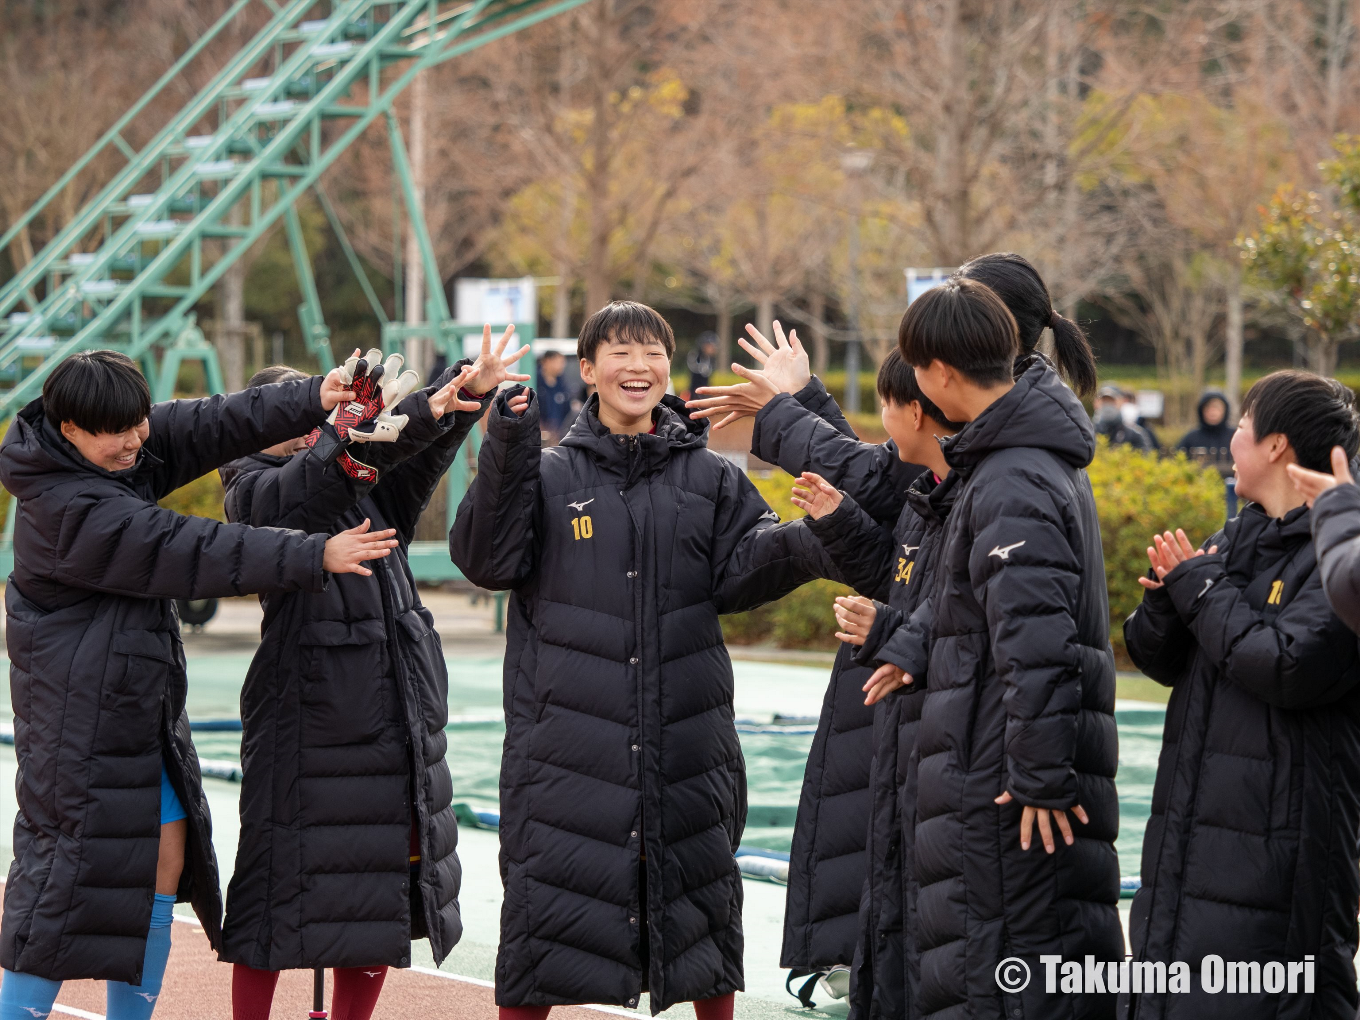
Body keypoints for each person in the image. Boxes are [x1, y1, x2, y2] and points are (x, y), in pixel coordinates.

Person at [450, 301, 839, 1020]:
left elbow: (742, 573)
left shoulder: (713, 479)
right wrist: (503, 433)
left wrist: (815, 534)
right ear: (588, 371)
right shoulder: (545, 474)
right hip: (565, 756)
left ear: (669, 368)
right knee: (543, 929)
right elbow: (485, 558)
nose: (639, 365)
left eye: (652, 350)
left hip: (685, 747)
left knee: (703, 922)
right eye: (620, 352)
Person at [0, 351, 398, 1020]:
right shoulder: (69, 505)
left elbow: (208, 422)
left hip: (131, 706)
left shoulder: (106, 453)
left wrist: (313, 395)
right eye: (116, 432)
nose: (135, 442)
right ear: (69, 428)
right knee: (61, 890)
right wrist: (311, 552)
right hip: (78, 719)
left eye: (137, 424)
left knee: (164, 854)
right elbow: (187, 548)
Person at [217, 330, 528, 1020]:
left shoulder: (359, 473)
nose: (309, 430)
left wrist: (463, 395)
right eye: (294, 418)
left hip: (392, 708)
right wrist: (340, 437)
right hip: (306, 710)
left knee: (378, 893)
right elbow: (293, 504)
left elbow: (415, 454)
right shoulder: (250, 486)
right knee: (273, 894)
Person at [882, 278, 1123, 1019]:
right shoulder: (1010, 460)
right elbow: (978, 605)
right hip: (991, 763)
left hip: (1003, 785)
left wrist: (1041, 781)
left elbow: (1037, 645)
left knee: (1006, 978)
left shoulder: (1013, 474)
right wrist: (915, 644)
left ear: (941, 373)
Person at [1123, 371, 1360, 1019]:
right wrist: (1166, 597)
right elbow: (1156, 657)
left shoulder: (1336, 556)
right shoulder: (1237, 536)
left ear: (1278, 445)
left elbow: (1286, 665)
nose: (1231, 439)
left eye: (1243, 425)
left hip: (1275, 851)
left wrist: (1197, 588)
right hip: (1194, 830)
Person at [781, 349, 963, 1020]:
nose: (884, 425)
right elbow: (895, 557)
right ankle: (854, 955)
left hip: (917, 702)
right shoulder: (934, 484)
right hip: (889, 684)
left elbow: (947, 617)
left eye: (891, 406)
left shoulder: (980, 484)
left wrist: (788, 407)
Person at [1176, 390, 1234, 476]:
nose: (1212, 412)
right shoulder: (1191, 438)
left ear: (1225, 409)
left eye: (1217, 407)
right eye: (1208, 408)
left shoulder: (1235, 436)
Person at [1093, 385, 1156, 451]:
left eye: (1112, 401)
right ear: (1096, 403)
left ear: (1121, 402)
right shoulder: (1089, 432)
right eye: (1104, 401)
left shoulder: (1134, 435)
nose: (1108, 406)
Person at [536, 350, 572, 442]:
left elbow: (567, 409)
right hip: (538, 436)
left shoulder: (562, 384)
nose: (562, 366)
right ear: (547, 361)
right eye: (559, 362)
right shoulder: (535, 382)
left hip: (558, 435)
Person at [687, 331, 717, 396]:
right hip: (694, 390)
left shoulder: (709, 358)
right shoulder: (694, 355)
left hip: (705, 390)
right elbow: (694, 368)